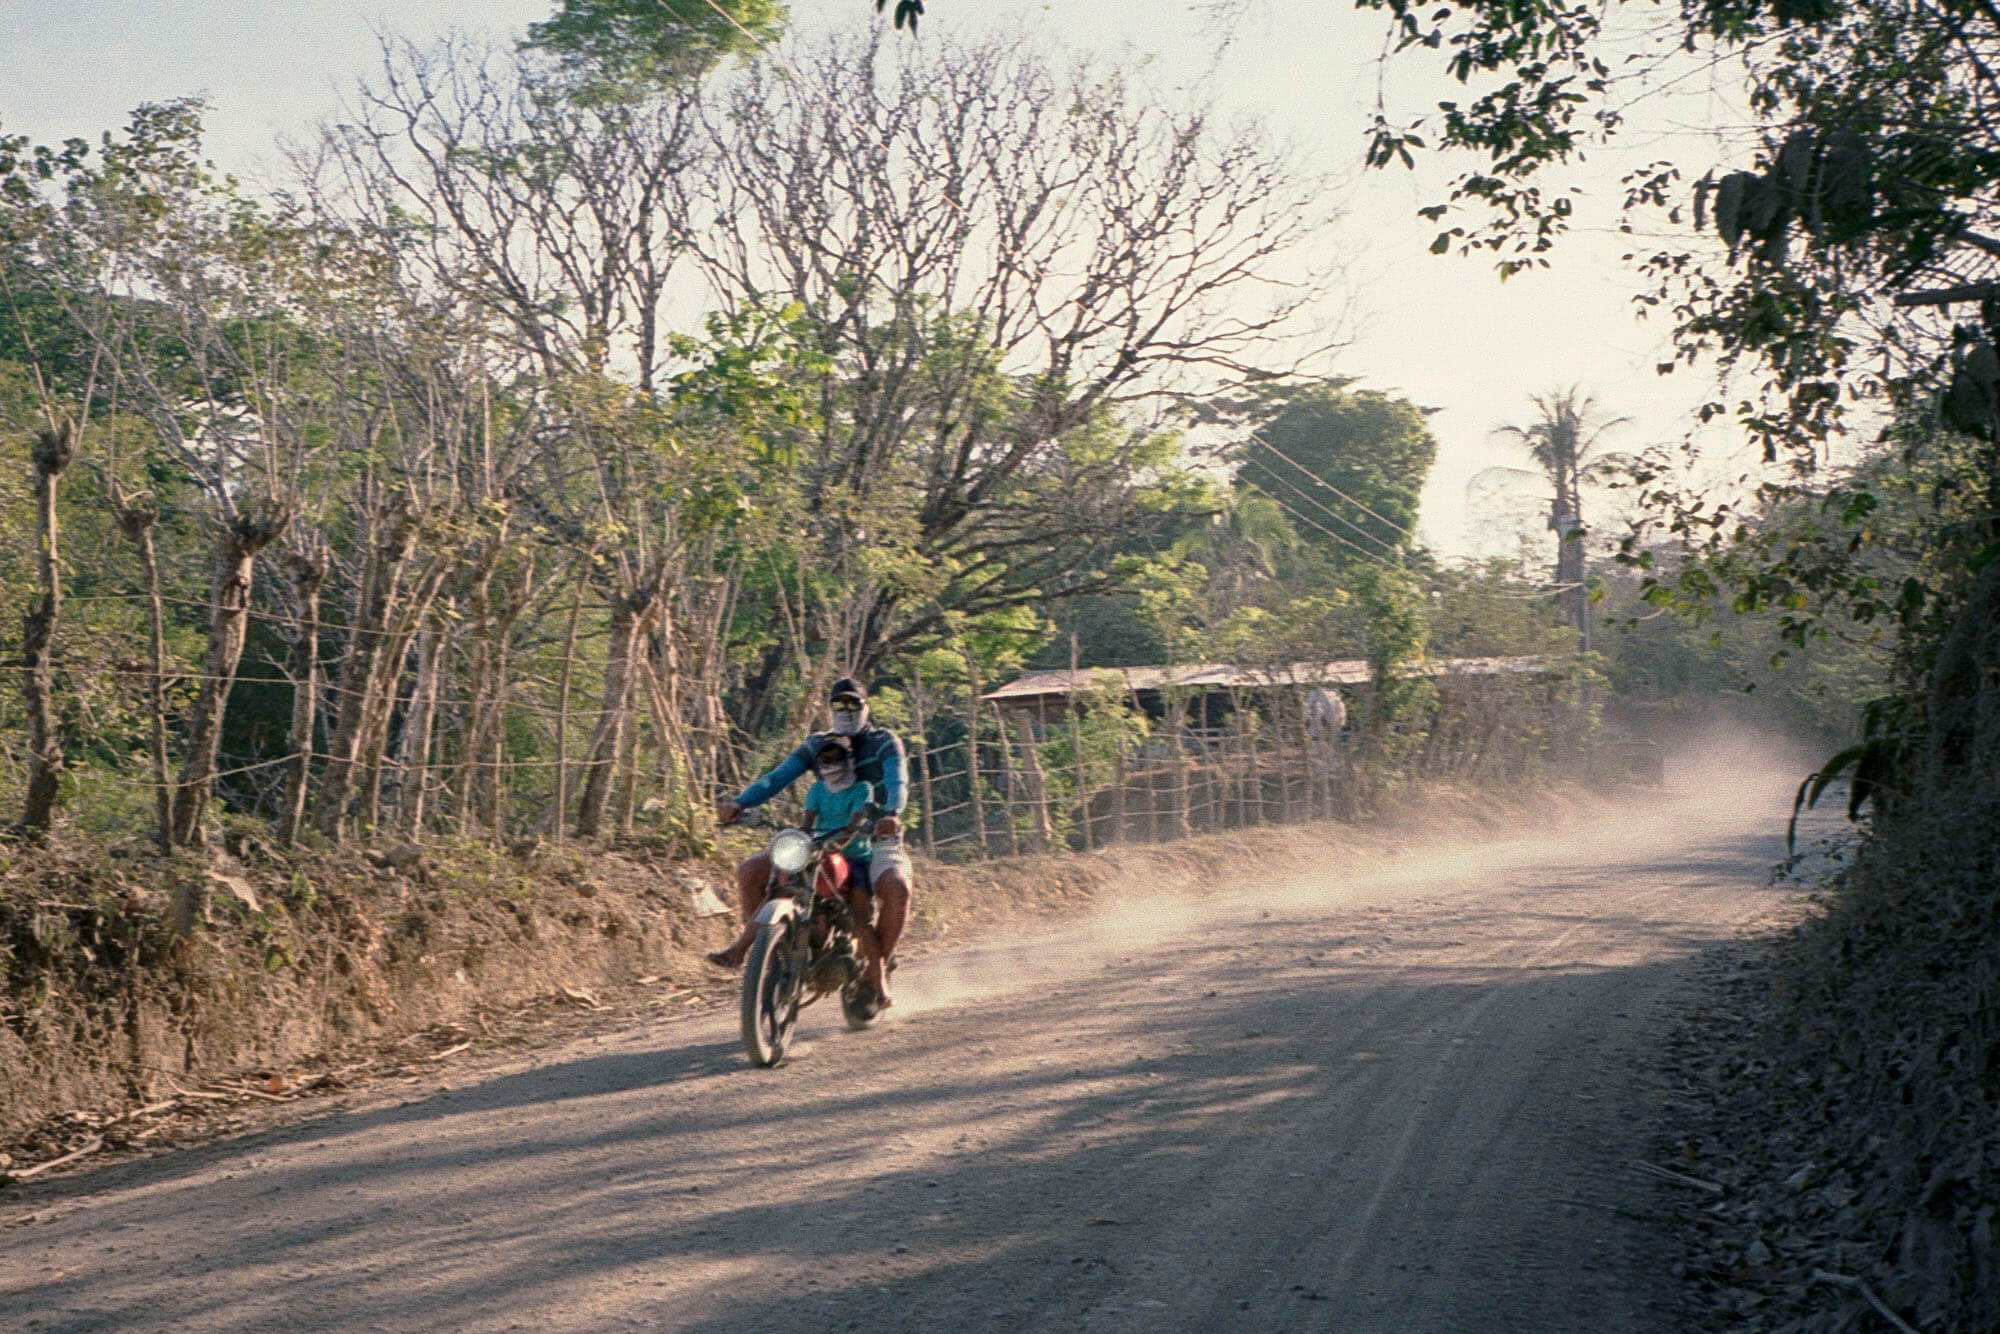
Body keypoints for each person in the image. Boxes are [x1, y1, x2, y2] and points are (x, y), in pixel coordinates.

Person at [708, 677, 911, 1017]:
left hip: (872, 837)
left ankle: (875, 971)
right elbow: (778, 777)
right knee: (751, 871)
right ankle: (769, 961)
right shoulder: (818, 745)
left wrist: (892, 813)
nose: (845, 711)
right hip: (821, 840)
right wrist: (740, 804)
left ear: (866, 706)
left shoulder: (883, 742)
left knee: (896, 887)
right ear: (829, 709)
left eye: (853, 704)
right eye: (838, 705)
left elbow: (897, 780)